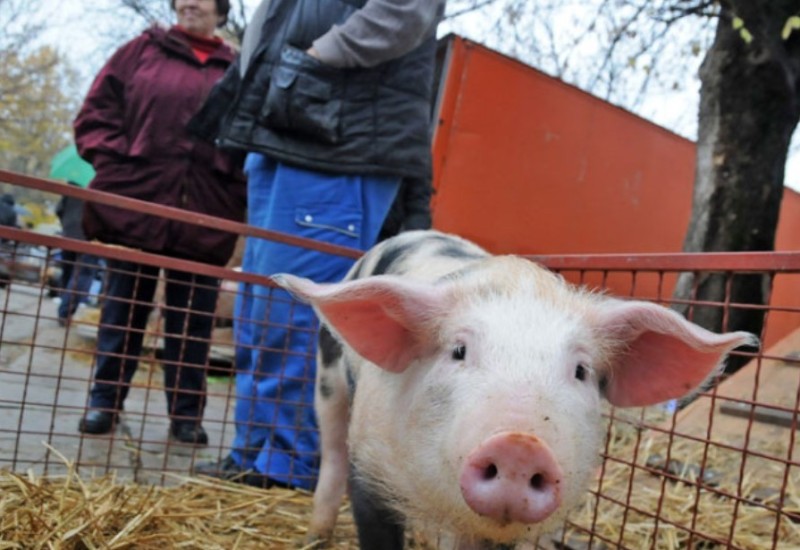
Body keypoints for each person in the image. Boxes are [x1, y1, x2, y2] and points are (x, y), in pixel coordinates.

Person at [191, 0, 447, 489]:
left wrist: (316, 57)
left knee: (299, 313)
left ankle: (290, 466)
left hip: (336, 137)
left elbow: (403, 11)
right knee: (260, 310)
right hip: (286, 124)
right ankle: (255, 451)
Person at [73, 0, 246, 445]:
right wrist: (118, 165)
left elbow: (249, 137)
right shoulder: (141, 51)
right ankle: (104, 404)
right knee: (122, 312)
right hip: (136, 204)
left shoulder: (238, 68)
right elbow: (95, 115)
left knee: (192, 323)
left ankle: (186, 417)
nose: (189, 2)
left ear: (221, 9)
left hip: (206, 212)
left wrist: (233, 187)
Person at [55, 180, 102, 325]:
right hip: (89, 236)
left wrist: (67, 225)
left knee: (68, 272)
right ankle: (65, 312)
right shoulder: (99, 182)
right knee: (83, 275)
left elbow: (59, 209)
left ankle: (64, 306)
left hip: (68, 234)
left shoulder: (74, 182)